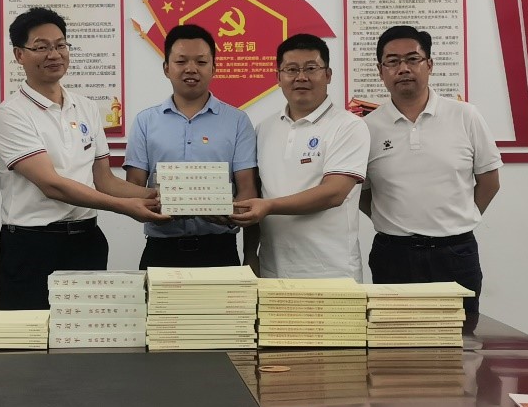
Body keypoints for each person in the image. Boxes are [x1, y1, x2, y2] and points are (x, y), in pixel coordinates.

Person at [0, 7, 167, 309]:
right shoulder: (10, 115)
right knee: (31, 334)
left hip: (86, 241)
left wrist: (160, 197)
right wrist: (126, 208)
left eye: (60, 45)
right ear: (19, 55)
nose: (54, 54)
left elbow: (105, 181)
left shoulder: (86, 108)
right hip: (32, 246)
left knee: (86, 332)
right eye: (41, 47)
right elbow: (52, 185)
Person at [360, 25, 502, 315]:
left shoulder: (465, 116)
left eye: (413, 59)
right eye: (392, 61)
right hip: (393, 254)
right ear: (380, 71)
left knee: (461, 335)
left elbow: (489, 181)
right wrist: (392, 220)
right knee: (394, 337)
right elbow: (362, 193)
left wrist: (459, 218)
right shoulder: (366, 128)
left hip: (455, 252)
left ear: (430, 65)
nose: (403, 68)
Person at [233, 33, 369, 279]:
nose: (301, 77)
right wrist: (250, 254)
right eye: (291, 69)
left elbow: (334, 193)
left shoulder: (348, 126)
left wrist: (269, 206)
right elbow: (256, 196)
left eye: (311, 68)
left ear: (328, 75)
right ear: (278, 77)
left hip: (332, 273)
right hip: (272, 270)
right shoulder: (264, 129)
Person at [124, 24, 257, 269]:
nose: (191, 69)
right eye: (181, 61)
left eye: (201, 62)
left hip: (219, 250)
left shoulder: (238, 121)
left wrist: (231, 215)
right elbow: (133, 186)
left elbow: (247, 187)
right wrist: (155, 206)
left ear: (214, 68)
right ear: (166, 68)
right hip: (161, 250)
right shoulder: (145, 121)